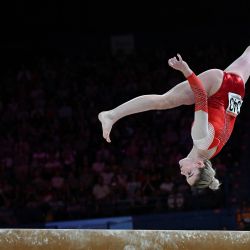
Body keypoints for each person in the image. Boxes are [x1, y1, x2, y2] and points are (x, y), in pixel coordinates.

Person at [98, 46, 250, 190]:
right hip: (219, 85)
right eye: (190, 173)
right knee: (164, 101)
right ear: (200, 164)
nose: (183, 173)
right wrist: (186, 70)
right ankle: (111, 115)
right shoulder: (201, 140)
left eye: (186, 177)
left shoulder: (210, 152)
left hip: (236, 91)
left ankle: (111, 115)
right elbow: (201, 96)